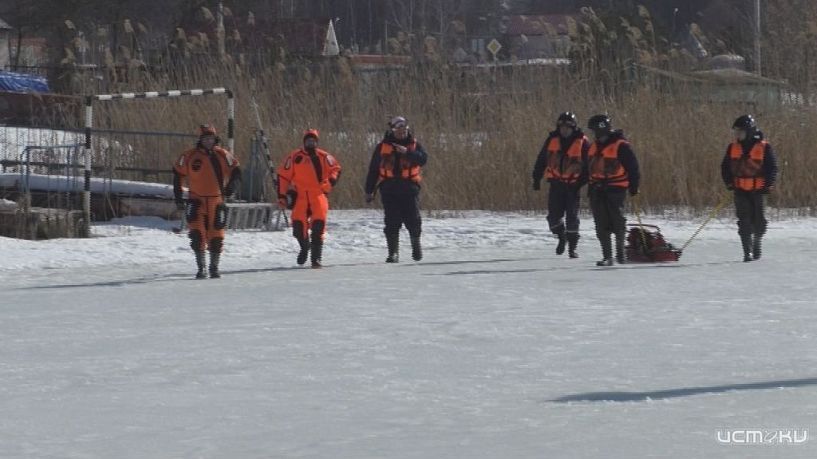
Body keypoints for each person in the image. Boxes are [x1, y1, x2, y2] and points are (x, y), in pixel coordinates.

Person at [173, 124, 241, 279]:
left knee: (217, 235)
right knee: (197, 234)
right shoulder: (189, 156)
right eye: (206, 139)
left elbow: (237, 172)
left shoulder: (223, 155)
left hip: (217, 201)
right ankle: (201, 267)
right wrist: (178, 198)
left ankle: (214, 267)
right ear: (201, 139)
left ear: (215, 139)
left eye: (211, 139)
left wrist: (231, 187)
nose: (209, 142)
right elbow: (177, 175)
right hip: (196, 200)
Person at [364, 116, 428, 263]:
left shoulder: (414, 145)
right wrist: (369, 190)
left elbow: (423, 159)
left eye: (404, 129)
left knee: (413, 219)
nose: (402, 132)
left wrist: (407, 152)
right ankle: (393, 253)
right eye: (399, 130)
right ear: (392, 130)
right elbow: (373, 170)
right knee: (391, 221)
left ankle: (416, 247)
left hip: (409, 188)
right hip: (389, 189)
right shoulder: (382, 147)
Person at [277, 129, 342, 268]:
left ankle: (316, 258)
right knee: (298, 227)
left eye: (313, 141)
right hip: (300, 196)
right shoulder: (295, 157)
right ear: (304, 142)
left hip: (318, 195)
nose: (310, 143)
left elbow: (336, 168)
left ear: (317, 142)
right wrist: (282, 196)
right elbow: (283, 175)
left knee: (318, 226)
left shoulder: (323, 156)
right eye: (308, 141)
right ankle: (304, 246)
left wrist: (330, 182)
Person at [532, 112, 590, 258]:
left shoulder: (583, 142)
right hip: (556, 185)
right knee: (553, 218)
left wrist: (582, 183)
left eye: (567, 127)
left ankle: (572, 248)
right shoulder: (552, 140)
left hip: (573, 187)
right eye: (562, 127)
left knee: (572, 218)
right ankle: (561, 237)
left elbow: (589, 166)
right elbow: (541, 159)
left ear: (574, 127)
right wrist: (536, 178)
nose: (564, 130)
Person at [721, 115, 778, 262]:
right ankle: (747, 251)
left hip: (758, 191)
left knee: (758, 222)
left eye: (740, 131)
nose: (737, 135)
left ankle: (757, 241)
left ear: (749, 131)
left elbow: (772, 168)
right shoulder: (732, 147)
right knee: (744, 220)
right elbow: (725, 167)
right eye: (736, 132)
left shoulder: (765, 147)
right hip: (740, 191)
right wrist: (728, 182)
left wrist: (768, 184)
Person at [586, 114, 640, 266]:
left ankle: (620, 254)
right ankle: (607, 256)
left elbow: (633, 168)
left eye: (594, 131)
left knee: (617, 221)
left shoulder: (621, 145)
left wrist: (634, 187)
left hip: (616, 189)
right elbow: (587, 169)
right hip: (597, 189)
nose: (594, 135)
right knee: (600, 224)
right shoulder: (593, 147)